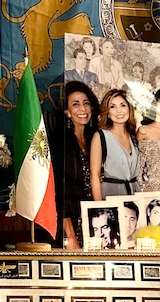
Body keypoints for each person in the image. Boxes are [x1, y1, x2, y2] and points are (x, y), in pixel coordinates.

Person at [62, 81, 100, 249]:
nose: (83, 109)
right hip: (72, 224)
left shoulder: (96, 139)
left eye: (86, 103)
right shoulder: (61, 143)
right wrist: (70, 236)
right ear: (67, 112)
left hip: (95, 220)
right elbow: (61, 195)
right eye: (75, 104)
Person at [90, 89, 140, 199]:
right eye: (113, 107)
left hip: (135, 196)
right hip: (111, 196)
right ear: (107, 112)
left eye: (122, 105)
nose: (119, 111)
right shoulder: (100, 136)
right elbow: (94, 176)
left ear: (129, 108)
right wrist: (99, 209)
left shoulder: (134, 136)